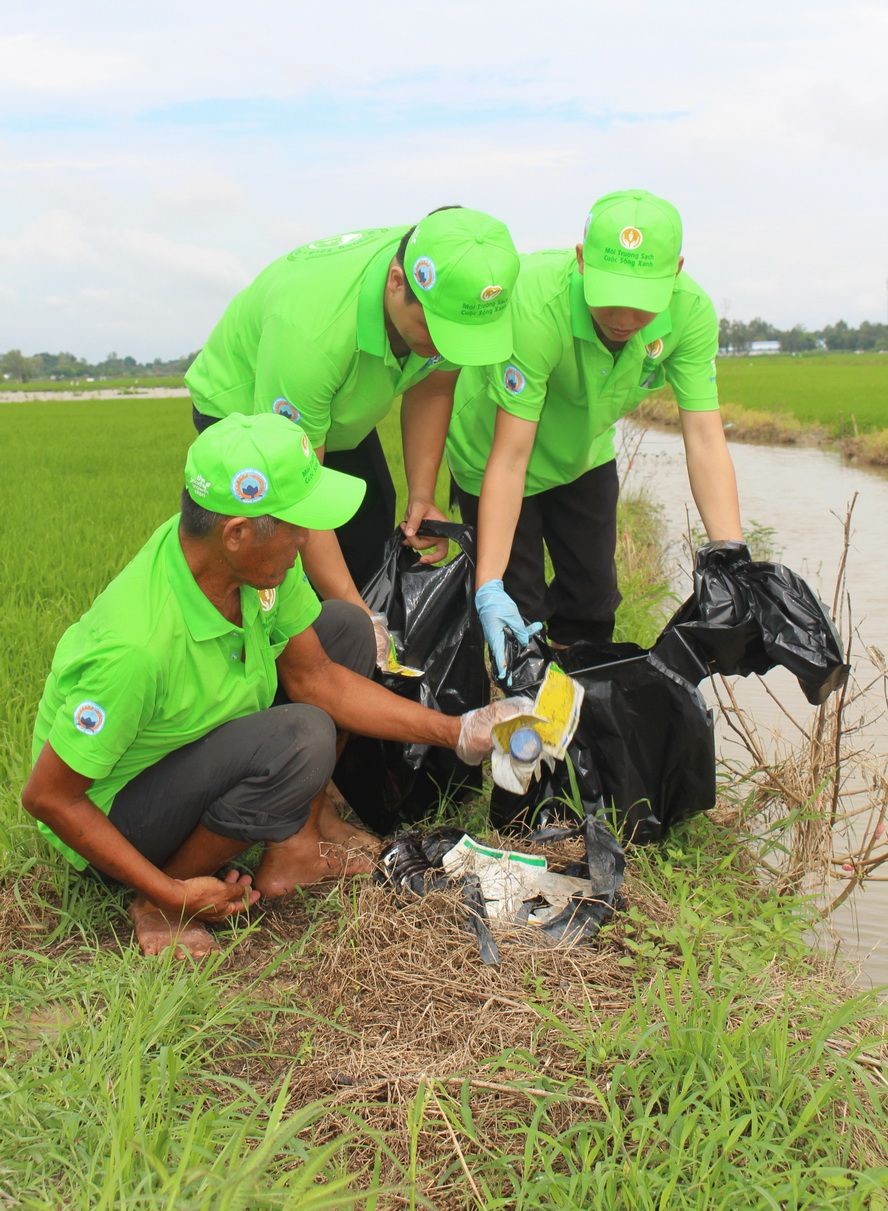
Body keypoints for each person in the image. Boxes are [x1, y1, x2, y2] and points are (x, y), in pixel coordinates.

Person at [21, 414, 528, 959]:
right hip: (116, 813)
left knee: (346, 630)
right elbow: (49, 796)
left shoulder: (240, 566)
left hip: (191, 745)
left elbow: (318, 676)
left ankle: (296, 845)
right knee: (300, 737)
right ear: (237, 534)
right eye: (294, 526)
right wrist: (168, 891)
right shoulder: (135, 647)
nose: (306, 540)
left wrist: (459, 730)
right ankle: (160, 906)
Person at [185, 207, 521, 663]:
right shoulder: (312, 333)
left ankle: (355, 672)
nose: (445, 348)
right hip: (246, 416)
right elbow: (296, 494)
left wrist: (422, 495)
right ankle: (275, 677)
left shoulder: (450, 279)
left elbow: (434, 387)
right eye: (435, 331)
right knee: (272, 559)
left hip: (339, 410)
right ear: (397, 282)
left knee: (371, 523)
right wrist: (358, 614)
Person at [445, 189, 743, 678]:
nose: (624, 320)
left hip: (583, 452)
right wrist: (489, 586)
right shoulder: (536, 303)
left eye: (642, 304)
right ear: (582, 259)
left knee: (592, 602)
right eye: (610, 298)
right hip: (493, 452)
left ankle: (578, 705)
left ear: (676, 271)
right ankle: (520, 704)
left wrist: (732, 557)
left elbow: (706, 439)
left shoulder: (691, 313)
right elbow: (511, 457)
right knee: (518, 610)